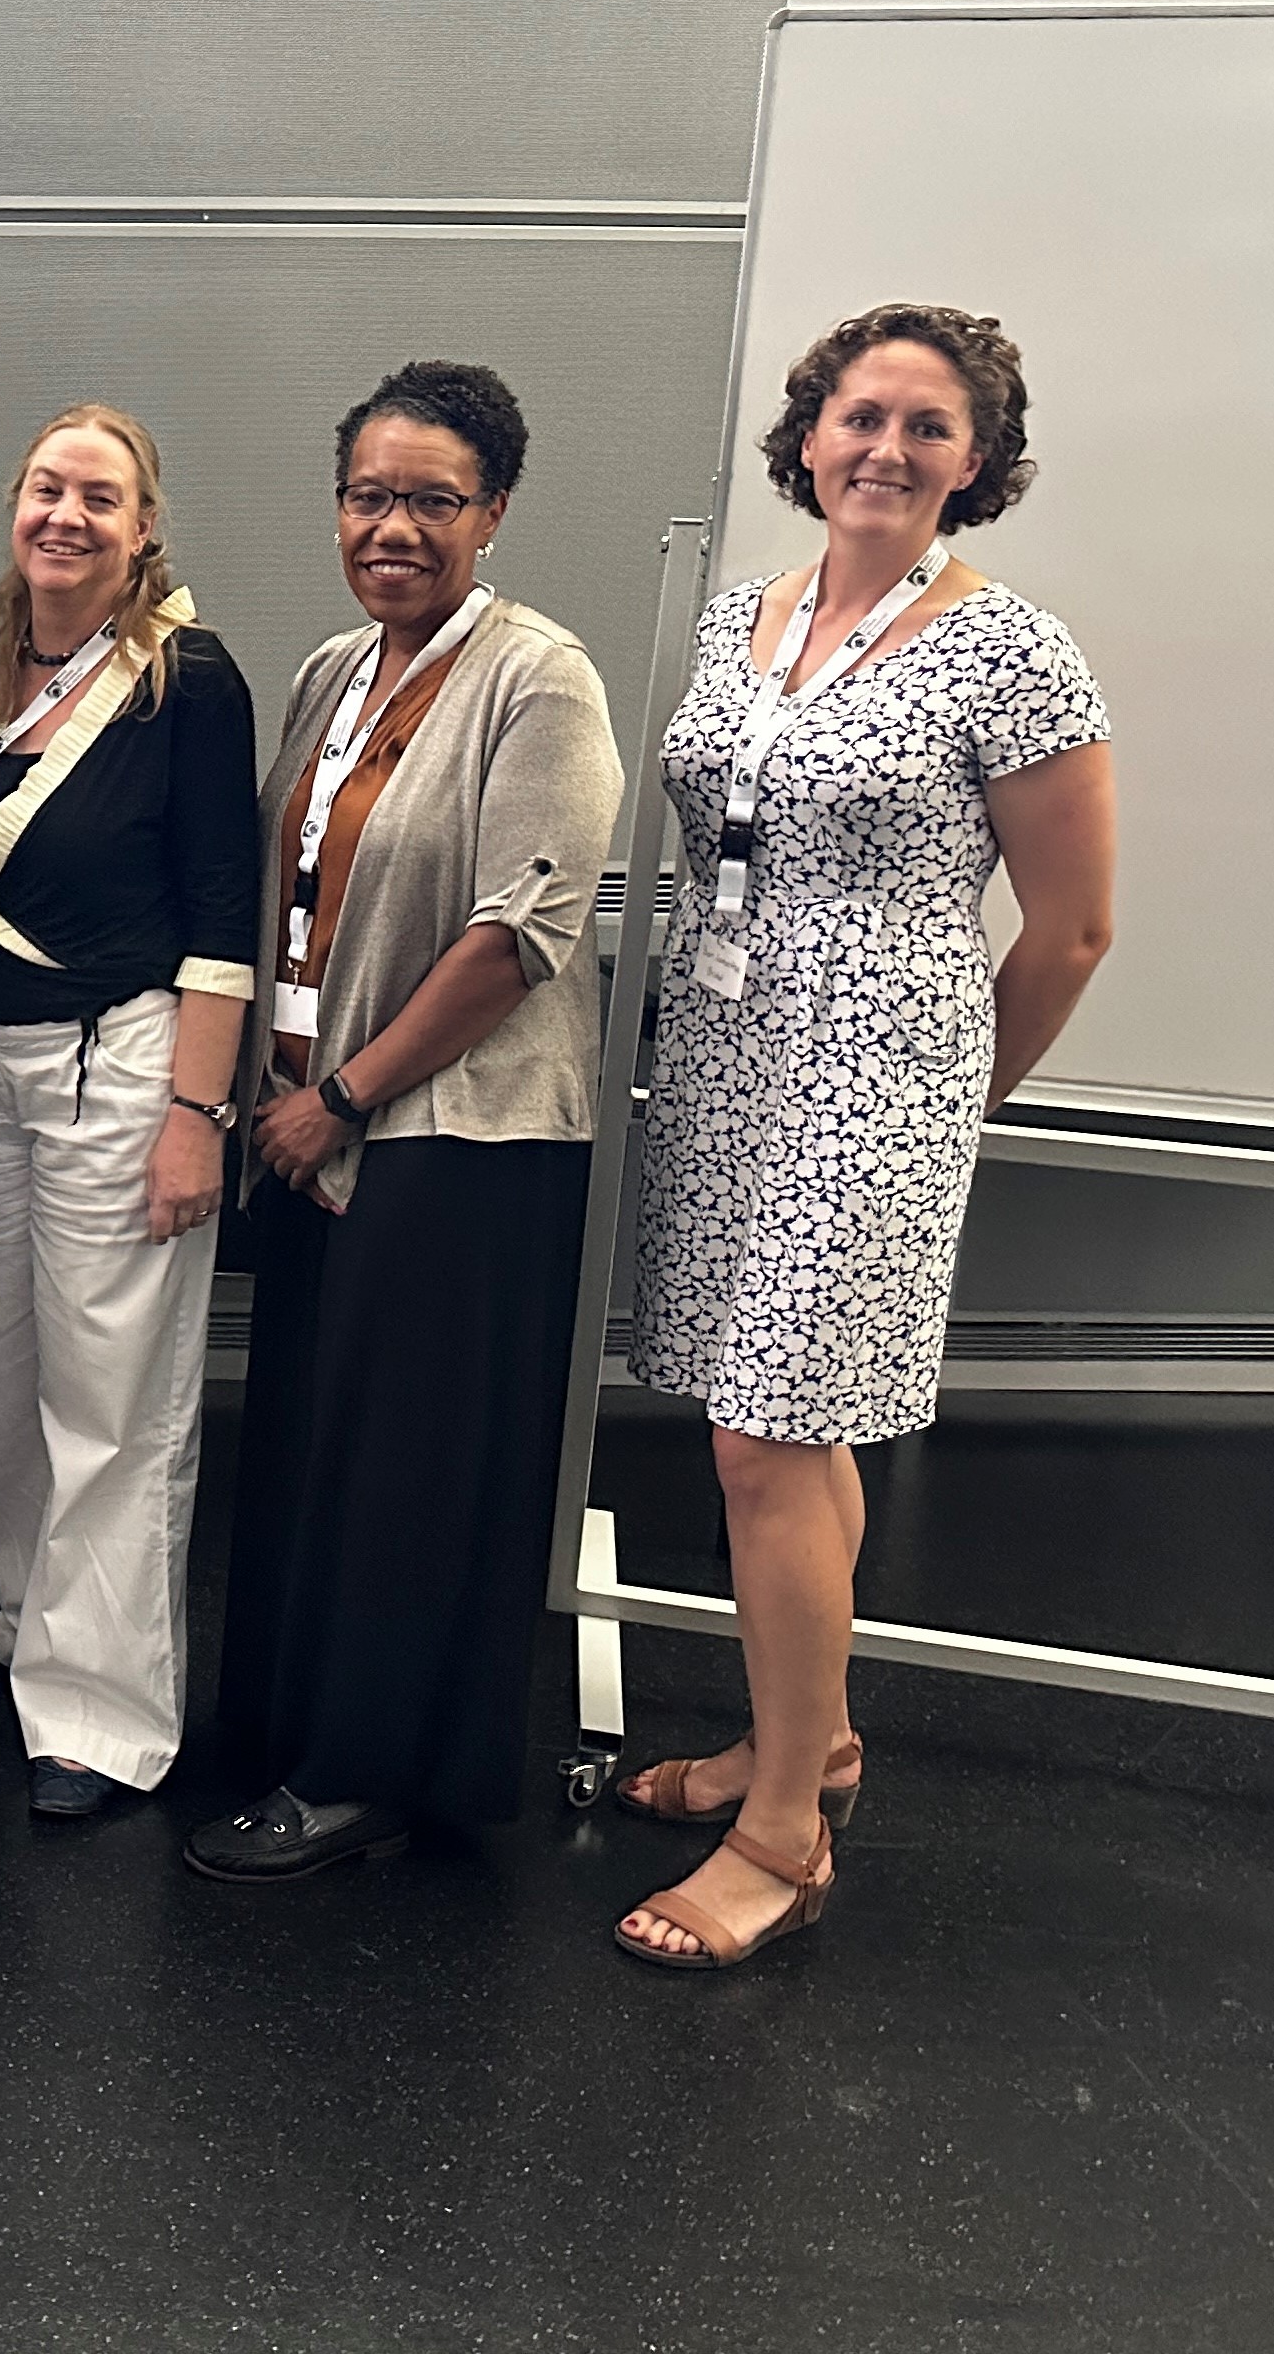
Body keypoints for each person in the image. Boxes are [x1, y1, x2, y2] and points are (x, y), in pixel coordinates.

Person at [614, 305, 1112, 1970]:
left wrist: (939, 1103)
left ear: (977, 462)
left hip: (874, 1084)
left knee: (767, 1439)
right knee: (771, 1434)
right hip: (727, 1064)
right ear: (806, 434)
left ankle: (780, 1840)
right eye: (858, 415)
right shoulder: (742, 621)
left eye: (926, 426)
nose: (884, 448)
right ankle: (798, 1739)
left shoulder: (1010, 651)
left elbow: (1069, 929)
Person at [189, 361, 622, 1885]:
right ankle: (288, 1732)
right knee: (312, 1441)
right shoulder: (329, 671)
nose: (392, 526)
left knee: (405, 1467)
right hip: (311, 1121)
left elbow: (521, 933)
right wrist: (278, 1093)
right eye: (367, 496)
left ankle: (368, 1774)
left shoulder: (537, 678)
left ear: (491, 513)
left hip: (455, 1138)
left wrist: (343, 1097)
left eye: (430, 500)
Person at [0, 407, 259, 1821]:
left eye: (97, 496)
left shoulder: (188, 679)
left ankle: (104, 1716)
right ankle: (25, 1625)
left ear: (140, 525)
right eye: (46, 485)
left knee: (113, 1399)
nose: (66, 513)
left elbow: (221, 914)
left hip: (123, 1067)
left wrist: (196, 1113)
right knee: (5, 1384)